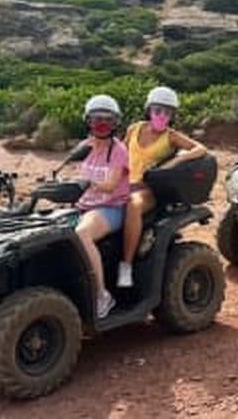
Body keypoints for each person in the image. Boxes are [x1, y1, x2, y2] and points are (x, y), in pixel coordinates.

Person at [118, 86, 207, 287]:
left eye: (167, 112)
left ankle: (126, 267)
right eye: (157, 110)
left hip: (147, 189)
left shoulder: (171, 136)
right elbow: (120, 153)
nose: (161, 115)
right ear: (149, 109)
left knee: (133, 205)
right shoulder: (135, 128)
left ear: (172, 115)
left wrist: (177, 160)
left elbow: (201, 148)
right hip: (123, 184)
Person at [75, 94, 130, 319]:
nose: (101, 124)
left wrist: (90, 183)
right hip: (83, 206)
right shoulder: (85, 147)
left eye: (107, 119)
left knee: (82, 233)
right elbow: (71, 173)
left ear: (115, 122)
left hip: (111, 207)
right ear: (88, 121)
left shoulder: (119, 150)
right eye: (96, 119)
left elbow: (111, 185)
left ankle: (101, 295)